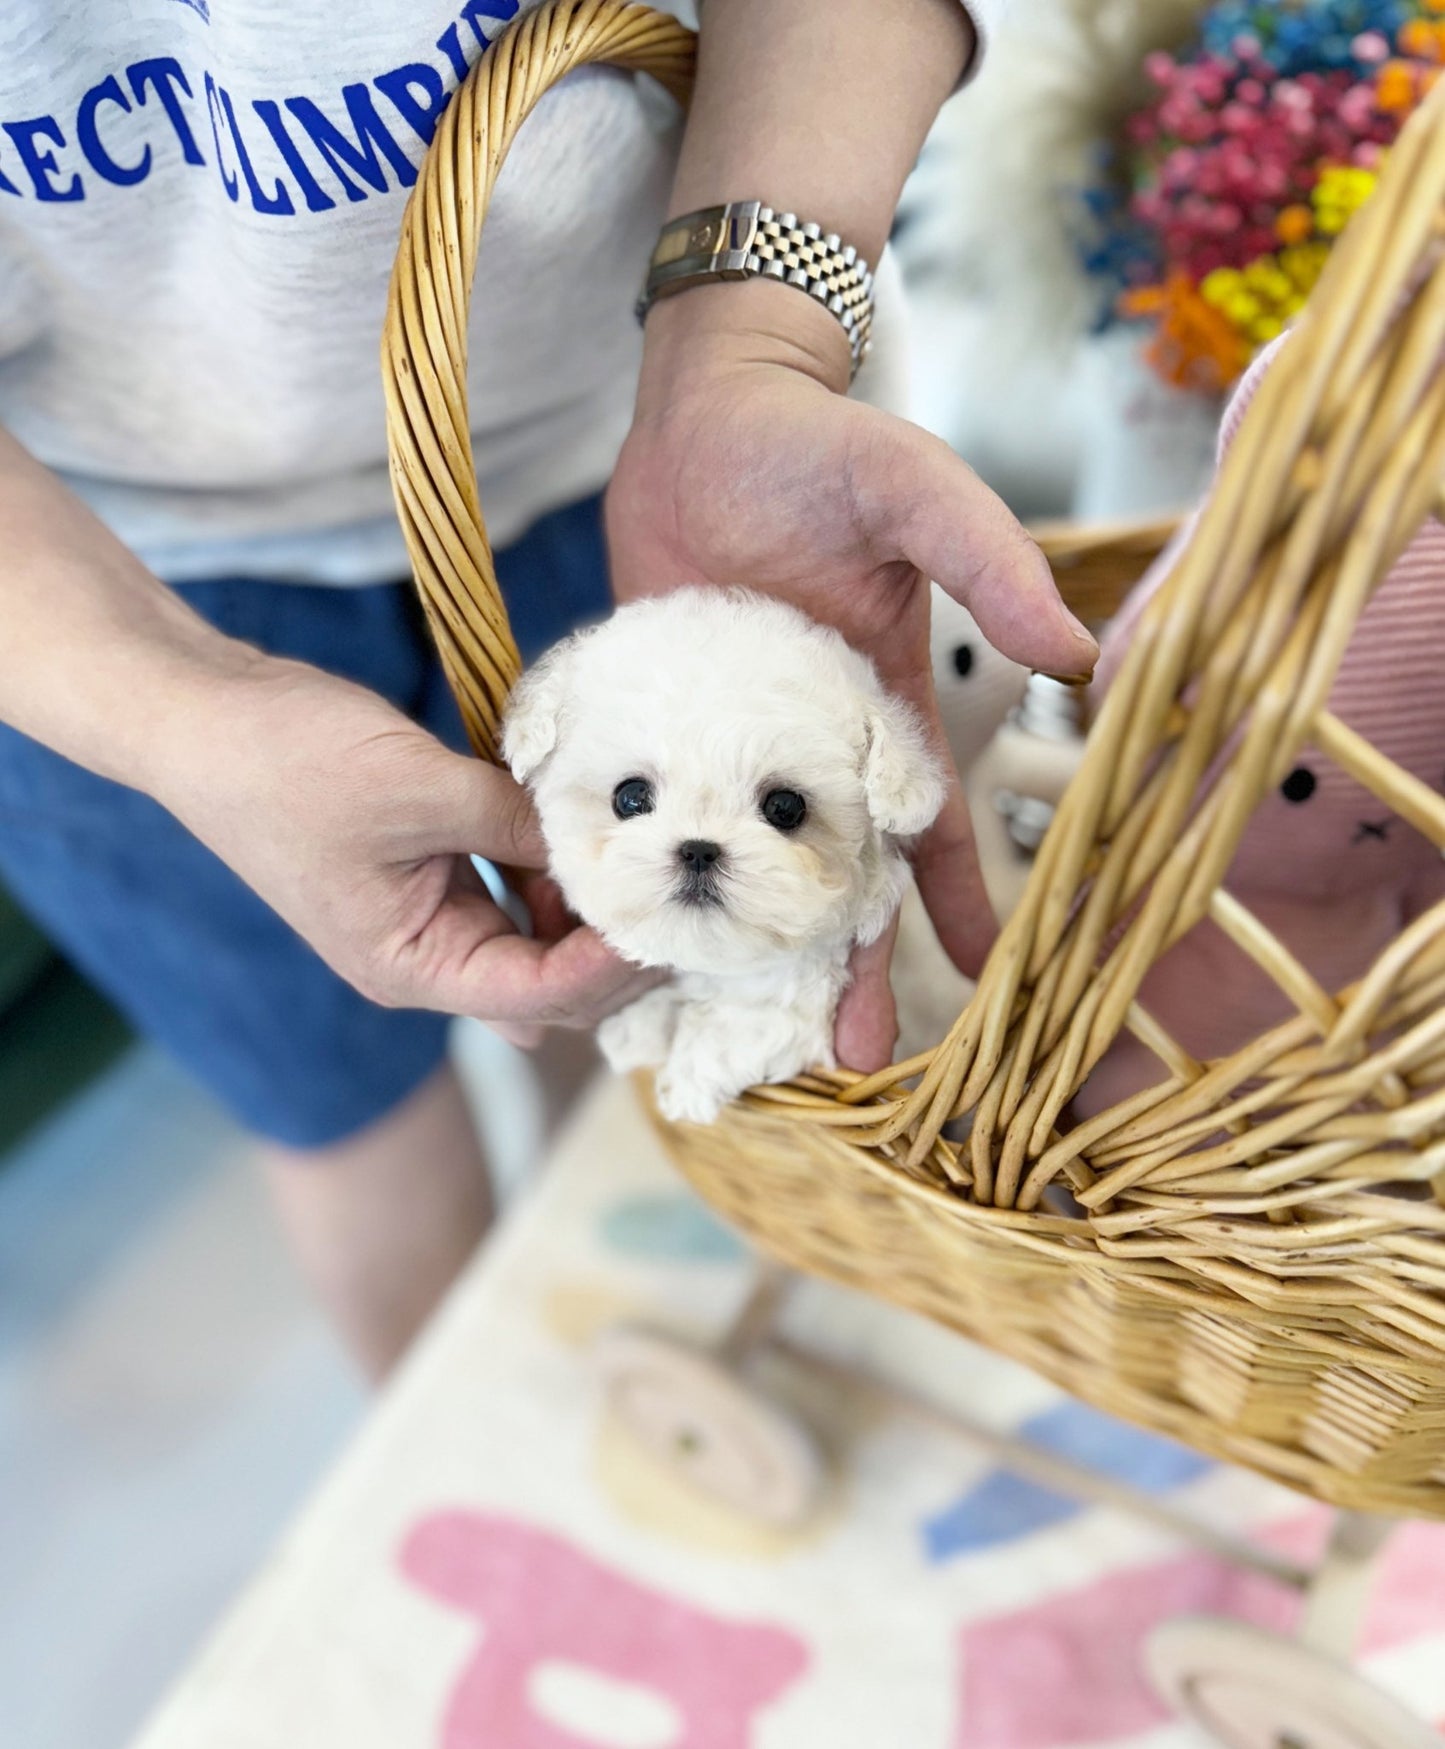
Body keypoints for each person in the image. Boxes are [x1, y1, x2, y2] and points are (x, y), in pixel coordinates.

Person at [0, 0, 1097, 1379]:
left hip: (642, 429)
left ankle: (645, 1326)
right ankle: (462, 1427)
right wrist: (167, 706)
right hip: (79, 580)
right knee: (341, 1112)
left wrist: (748, 348)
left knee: (604, 1005)